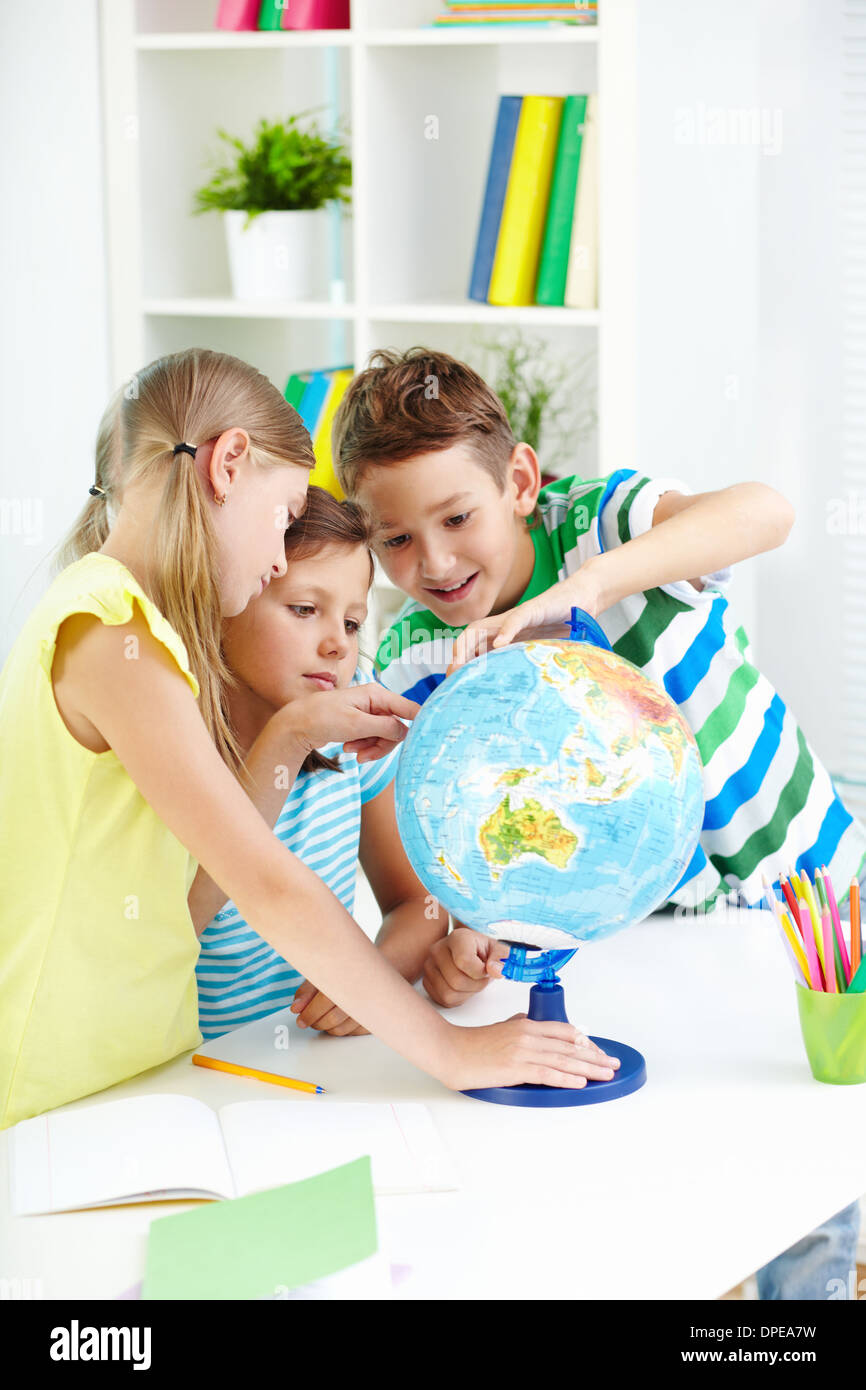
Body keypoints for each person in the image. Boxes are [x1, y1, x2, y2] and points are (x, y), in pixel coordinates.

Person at [331, 345, 864, 1300]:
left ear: (523, 482)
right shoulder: (419, 650)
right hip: (634, 932)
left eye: (458, 517)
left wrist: (588, 589)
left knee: (806, 1163)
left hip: (798, 892)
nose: (437, 562)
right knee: (692, 1153)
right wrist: (463, 936)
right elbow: (475, 819)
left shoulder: (599, 523)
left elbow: (766, 513)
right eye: (396, 540)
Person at [0, 347, 618, 1132]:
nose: (271, 560)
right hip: (57, 1084)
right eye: (284, 516)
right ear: (227, 466)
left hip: (139, 1071)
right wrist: (455, 1053)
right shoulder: (111, 630)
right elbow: (265, 882)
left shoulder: (126, 626)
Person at [195, 484, 484, 1039]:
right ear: (225, 599)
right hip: (192, 1074)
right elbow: (168, 934)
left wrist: (371, 978)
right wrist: (288, 737)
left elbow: (418, 905)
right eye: (305, 610)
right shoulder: (172, 742)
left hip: (312, 1067)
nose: (338, 646)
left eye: (352, 623)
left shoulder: (347, 734)